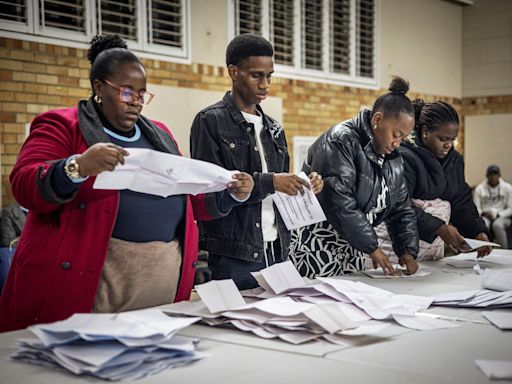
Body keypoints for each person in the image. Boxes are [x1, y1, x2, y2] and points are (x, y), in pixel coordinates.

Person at [0, 35, 254, 332]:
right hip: (91, 283)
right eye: (127, 93)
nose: (136, 103)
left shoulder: (161, 134)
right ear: (99, 88)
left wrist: (230, 193)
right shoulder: (62, 125)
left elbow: (188, 199)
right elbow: (24, 184)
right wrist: (78, 166)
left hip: (159, 289)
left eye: (142, 95)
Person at [190, 34, 323, 289]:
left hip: (276, 249)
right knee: (232, 327)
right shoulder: (210, 121)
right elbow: (209, 198)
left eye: (269, 76)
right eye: (256, 75)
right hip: (233, 255)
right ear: (233, 72)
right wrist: (272, 182)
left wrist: (304, 185)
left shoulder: (274, 128)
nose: (265, 84)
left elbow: (280, 193)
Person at [289, 77, 419, 278]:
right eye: (396, 134)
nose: (397, 143)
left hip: (354, 246)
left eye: (403, 138)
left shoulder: (393, 158)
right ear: (377, 120)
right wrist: (372, 247)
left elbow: (401, 207)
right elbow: (339, 201)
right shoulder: (341, 141)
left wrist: (407, 250)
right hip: (319, 246)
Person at [385, 99, 491, 258]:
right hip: (396, 244)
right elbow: (398, 204)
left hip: (432, 248)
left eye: (452, 139)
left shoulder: (454, 160)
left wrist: (477, 231)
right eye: (443, 139)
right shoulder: (402, 157)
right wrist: (439, 228)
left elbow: (460, 199)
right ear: (425, 132)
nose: (448, 145)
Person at [474, 165, 512, 248]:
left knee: (497, 225)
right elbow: (476, 207)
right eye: (491, 174)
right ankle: (485, 249)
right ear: (487, 176)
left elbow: (510, 208)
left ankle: (505, 250)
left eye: (495, 174)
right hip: (484, 215)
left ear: (499, 175)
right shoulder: (479, 188)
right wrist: (484, 214)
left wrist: (498, 215)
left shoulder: (508, 188)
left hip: (502, 216)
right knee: (482, 225)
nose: (493, 176)